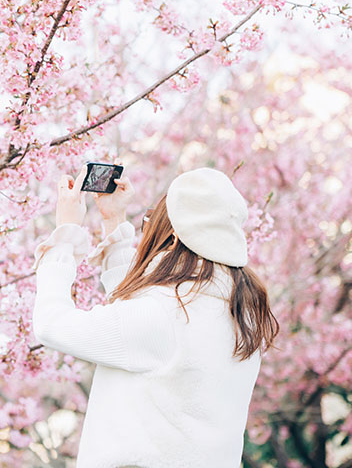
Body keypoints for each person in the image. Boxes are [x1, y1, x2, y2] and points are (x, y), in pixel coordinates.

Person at [32, 166, 279, 468]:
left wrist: (65, 237)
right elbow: (139, 319)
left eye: (151, 222)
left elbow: (51, 324)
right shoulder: (241, 315)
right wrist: (114, 222)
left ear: (173, 239)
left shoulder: (163, 314)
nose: (146, 230)